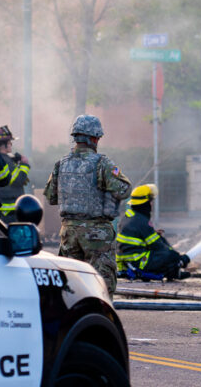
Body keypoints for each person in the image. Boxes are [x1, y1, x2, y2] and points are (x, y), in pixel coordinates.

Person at [43, 115, 131, 296]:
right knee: (101, 287)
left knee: (70, 286)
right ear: (94, 138)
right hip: (97, 235)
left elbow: (51, 197)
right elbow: (124, 190)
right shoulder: (103, 164)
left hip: (69, 234)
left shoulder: (61, 164)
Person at [115, 184, 191, 281]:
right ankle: (174, 271)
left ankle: (174, 272)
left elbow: (140, 235)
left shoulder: (129, 216)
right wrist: (178, 258)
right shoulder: (141, 221)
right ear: (144, 203)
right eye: (150, 201)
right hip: (137, 261)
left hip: (126, 262)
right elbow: (157, 245)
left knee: (163, 245)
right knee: (169, 255)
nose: (151, 204)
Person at [0, 125, 31, 224]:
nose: (11, 144)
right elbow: (18, 180)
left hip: (2, 211)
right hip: (9, 213)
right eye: (9, 142)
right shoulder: (5, 161)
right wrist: (24, 164)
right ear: (4, 145)